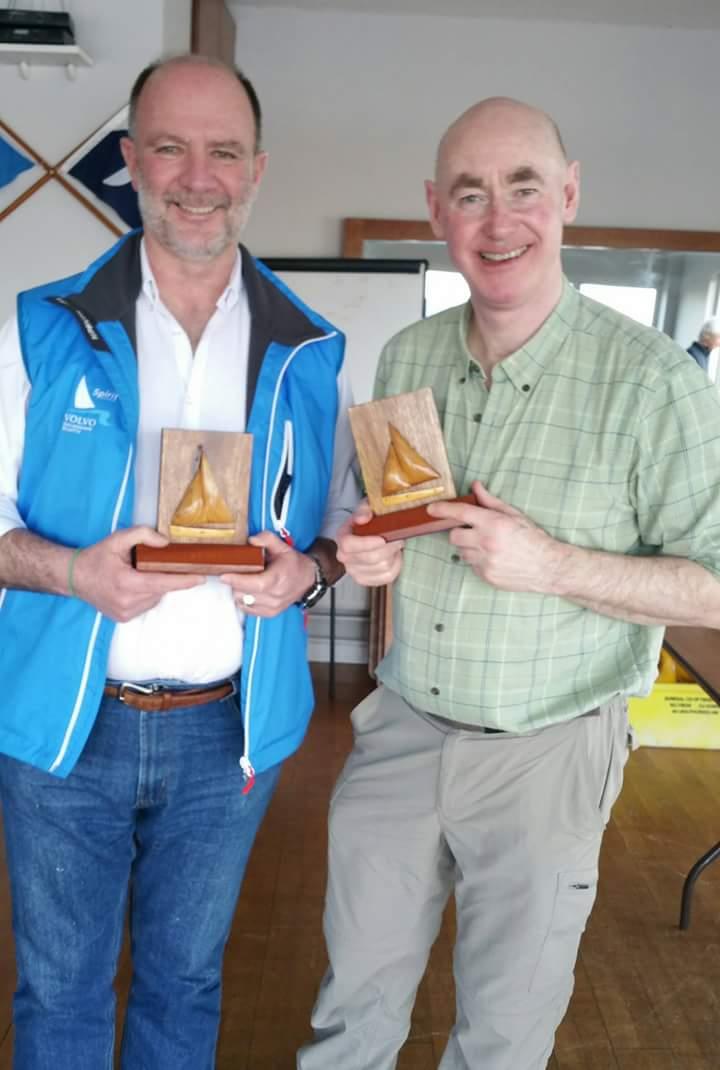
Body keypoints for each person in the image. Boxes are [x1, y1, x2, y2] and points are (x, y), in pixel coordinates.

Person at [298, 97, 720, 1070]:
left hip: (550, 752)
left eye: (524, 189)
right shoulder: (409, 355)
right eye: (471, 194)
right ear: (436, 208)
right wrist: (369, 550)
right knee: (348, 1018)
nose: (499, 220)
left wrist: (552, 565)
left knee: (500, 1040)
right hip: (401, 730)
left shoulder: (658, 384)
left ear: (568, 196)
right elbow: (385, 518)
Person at [0, 54, 357, 1069]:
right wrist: (73, 572)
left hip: (228, 734)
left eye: (223, 152)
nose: (197, 175)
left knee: (185, 983)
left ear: (256, 170)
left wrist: (311, 570)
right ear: (130, 161)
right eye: (170, 147)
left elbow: (332, 527)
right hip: (63, 734)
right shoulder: (36, 330)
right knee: (60, 992)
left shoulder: (311, 347)